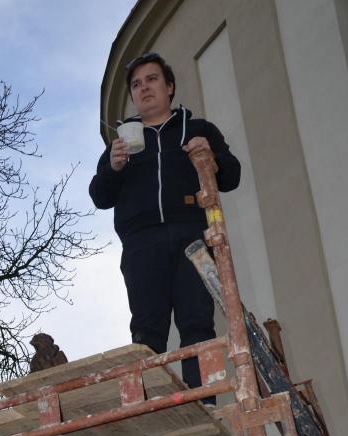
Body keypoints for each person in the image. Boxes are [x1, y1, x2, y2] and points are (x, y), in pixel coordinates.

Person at [89, 52, 240, 401]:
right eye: (136, 84)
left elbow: (232, 177)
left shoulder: (199, 130)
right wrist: (113, 168)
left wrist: (211, 156)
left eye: (152, 79)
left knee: (197, 324)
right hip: (141, 243)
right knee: (146, 330)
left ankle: (206, 405)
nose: (144, 88)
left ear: (169, 87)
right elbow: (99, 196)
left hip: (193, 237)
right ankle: (152, 410)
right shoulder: (120, 144)